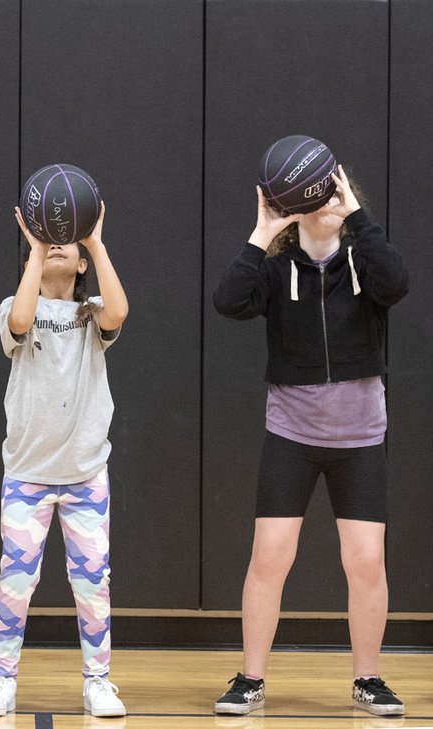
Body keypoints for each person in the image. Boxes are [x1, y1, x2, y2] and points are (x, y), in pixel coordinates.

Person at [212, 168, 408, 717]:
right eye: (310, 194)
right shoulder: (274, 272)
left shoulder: (363, 262)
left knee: (367, 561)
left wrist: (358, 219)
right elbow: (228, 300)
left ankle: (368, 678)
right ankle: (250, 680)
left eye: (330, 191)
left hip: (360, 436)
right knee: (270, 557)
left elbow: (398, 283)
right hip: (292, 435)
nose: (321, 200)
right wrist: (261, 231)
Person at [0, 203, 129, 718]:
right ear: (30, 262)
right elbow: (19, 318)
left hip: (85, 474)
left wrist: (97, 242)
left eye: (67, 243)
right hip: (27, 475)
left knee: (93, 585)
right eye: (43, 245)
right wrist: (36, 254)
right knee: (15, 584)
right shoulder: (15, 309)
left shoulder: (92, 315)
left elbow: (120, 312)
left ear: (82, 262)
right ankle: (2, 680)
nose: (57, 244)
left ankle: (99, 681)